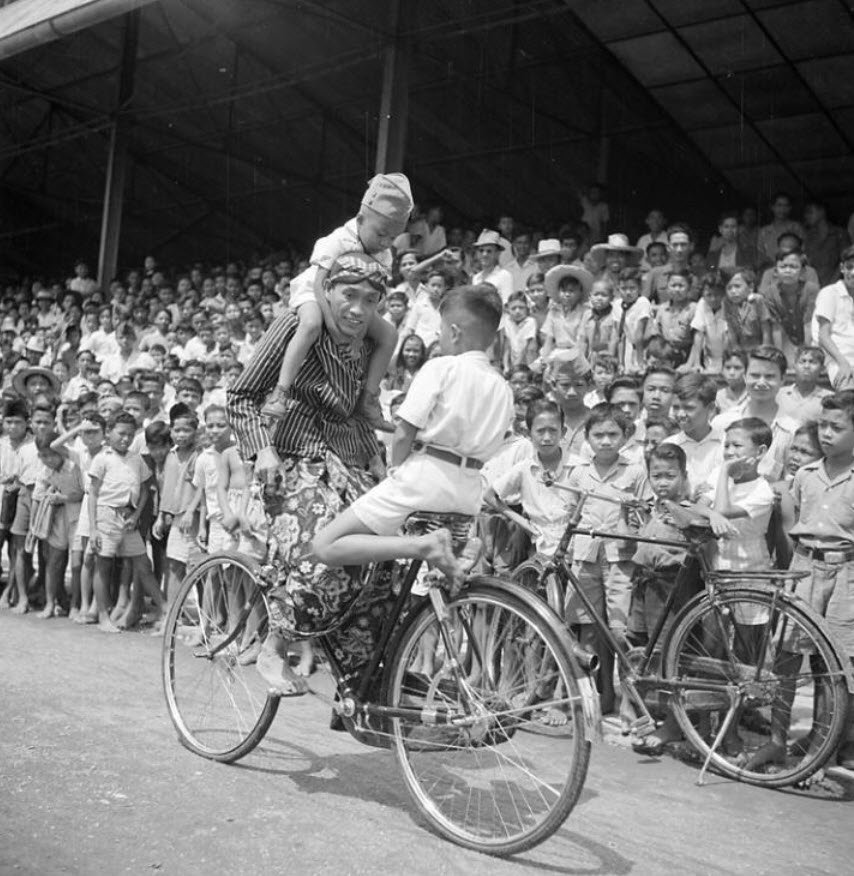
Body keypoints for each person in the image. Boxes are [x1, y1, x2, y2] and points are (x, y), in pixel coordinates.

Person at [310, 283, 514, 691]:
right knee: (413, 596)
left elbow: (404, 432)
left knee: (325, 545)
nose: (439, 337)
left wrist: (393, 470)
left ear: (454, 331)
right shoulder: (502, 386)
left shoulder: (443, 367)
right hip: (467, 490)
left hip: (426, 476)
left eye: (441, 329)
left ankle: (422, 546)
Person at [227, 252, 414, 695]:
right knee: (320, 548)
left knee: (384, 562)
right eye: (349, 295)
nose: (358, 309)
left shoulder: (368, 345)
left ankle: (362, 685)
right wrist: (263, 450)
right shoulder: (295, 327)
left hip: (347, 461)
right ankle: (274, 647)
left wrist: (373, 456)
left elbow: (356, 414)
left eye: (371, 300)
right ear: (327, 291)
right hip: (291, 458)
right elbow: (239, 397)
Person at [262, 174, 412, 427]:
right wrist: (335, 329)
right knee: (310, 324)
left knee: (390, 336)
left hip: (355, 302)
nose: (385, 242)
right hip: (315, 292)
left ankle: (368, 399)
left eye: (392, 238)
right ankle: (280, 392)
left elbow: (373, 302)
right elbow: (320, 285)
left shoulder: (384, 254)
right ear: (361, 219)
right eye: (381, 234)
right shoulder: (338, 240)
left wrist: (356, 335)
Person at [562, 403, 650, 713]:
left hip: (620, 558)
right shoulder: (578, 474)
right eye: (598, 434)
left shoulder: (635, 472)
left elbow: (645, 514)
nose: (605, 440)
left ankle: (627, 699)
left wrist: (632, 508)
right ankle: (593, 695)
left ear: (625, 436)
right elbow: (568, 513)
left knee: (620, 630)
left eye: (613, 434)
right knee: (587, 628)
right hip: (585, 556)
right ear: (587, 437)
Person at [787, 391, 854, 769]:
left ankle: (831, 745)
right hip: (806, 568)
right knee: (803, 656)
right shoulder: (805, 475)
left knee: (841, 665)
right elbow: (794, 524)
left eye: (837, 427)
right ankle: (811, 738)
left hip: (846, 574)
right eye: (823, 426)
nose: (826, 434)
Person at [627, 442, 693, 753]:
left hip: (672, 590)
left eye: (669, 476)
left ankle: (673, 725)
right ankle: (647, 713)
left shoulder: (691, 507)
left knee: (671, 658)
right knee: (643, 649)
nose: (662, 483)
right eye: (656, 476)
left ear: (684, 475)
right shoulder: (651, 507)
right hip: (645, 586)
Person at [87, 411, 165, 634]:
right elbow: (92, 494)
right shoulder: (102, 458)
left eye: (130, 435)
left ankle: (166, 609)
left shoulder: (136, 459)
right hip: (105, 515)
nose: (125, 439)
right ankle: (103, 615)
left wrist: (136, 515)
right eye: (121, 434)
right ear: (109, 433)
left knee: (143, 564)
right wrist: (93, 529)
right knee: (103, 565)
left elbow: (146, 490)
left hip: (128, 518)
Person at [711, 346, 799, 481]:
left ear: (783, 380)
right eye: (755, 375)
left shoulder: (791, 431)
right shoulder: (722, 423)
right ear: (745, 377)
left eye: (769, 376)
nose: (761, 382)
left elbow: (791, 481)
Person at [32, 432, 85, 619]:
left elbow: (81, 494)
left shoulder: (74, 463)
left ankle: (75, 605)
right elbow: (37, 498)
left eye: (51, 454)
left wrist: (63, 498)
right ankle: (50, 603)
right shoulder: (44, 472)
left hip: (78, 517)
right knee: (53, 562)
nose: (48, 459)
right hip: (56, 519)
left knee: (78, 564)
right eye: (43, 455)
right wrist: (34, 527)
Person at [665, 374, 723, 494]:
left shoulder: (726, 444)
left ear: (711, 408)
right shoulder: (668, 446)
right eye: (676, 407)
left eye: (689, 408)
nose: (681, 414)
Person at [764, 249, 819, 364]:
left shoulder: (811, 290)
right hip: (785, 339)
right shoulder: (770, 293)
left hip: (810, 338)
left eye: (793, 267)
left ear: (803, 271)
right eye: (783, 267)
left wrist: (806, 355)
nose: (788, 270)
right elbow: (776, 327)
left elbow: (808, 324)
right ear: (775, 271)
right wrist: (779, 357)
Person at [813, 244, 854, 389]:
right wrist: (843, 363)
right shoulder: (830, 293)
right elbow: (823, 336)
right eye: (849, 267)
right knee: (848, 394)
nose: (853, 272)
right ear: (842, 268)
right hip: (838, 359)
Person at [538, 264, 592, 364]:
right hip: (556, 352)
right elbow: (549, 339)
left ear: (580, 292)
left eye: (571, 291)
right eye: (563, 291)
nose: (567, 294)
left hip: (576, 354)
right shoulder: (553, 311)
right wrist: (544, 359)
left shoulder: (585, 312)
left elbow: (582, 341)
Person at [776, 346, 831, 423]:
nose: (806, 366)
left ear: (822, 369)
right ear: (794, 366)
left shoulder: (829, 398)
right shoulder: (779, 394)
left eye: (813, 362)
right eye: (802, 361)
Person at [686, 273, 727, 374]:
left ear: (723, 293)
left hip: (728, 358)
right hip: (709, 360)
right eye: (709, 295)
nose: (713, 299)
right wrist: (696, 363)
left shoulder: (729, 305)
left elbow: (728, 337)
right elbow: (699, 334)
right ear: (703, 294)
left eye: (717, 295)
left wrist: (726, 364)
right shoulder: (702, 304)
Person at [617, 267, 651, 374]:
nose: (628, 292)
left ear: (640, 288)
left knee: (640, 373)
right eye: (623, 288)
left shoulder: (642, 302)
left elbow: (639, 334)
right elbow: (619, 335)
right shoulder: (617, 304)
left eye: (632, 288)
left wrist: (639, 363)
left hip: (644, 348)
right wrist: (620, 362)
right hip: (629, 347)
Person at [757, 192, 803, 267]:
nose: (782, 209)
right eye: (779, 205)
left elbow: (802, 252)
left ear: (790, 208)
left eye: (786, 206)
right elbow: (760, 255)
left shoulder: (796, 228)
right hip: (769, 271)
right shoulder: (764, 231)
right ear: (772, 207)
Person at [578, 279, 619, 360]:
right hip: (590, 357)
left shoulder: (614, 315)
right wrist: (581, 359)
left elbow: (614, 339)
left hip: (607, 358)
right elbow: (583, 339)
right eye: (596, 294)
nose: (599, 298)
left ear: (612, 298)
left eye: (604, 295)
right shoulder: (587, 315)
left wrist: (609, 357)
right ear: (590, 297)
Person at [472, 230, 514, 304]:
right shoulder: (476, 278)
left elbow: (507, 304)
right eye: (481, 251)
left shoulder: (504, 275)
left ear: (497, 254)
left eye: (489, 251)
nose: (484, 254)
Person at [500, 291, 538, 372]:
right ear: (508, 310)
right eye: (513, 308)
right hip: (513, 366)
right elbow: (507, 346)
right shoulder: (508, 321)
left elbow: (525, 347)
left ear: (527, 308)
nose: (517, 311)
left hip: (528, 365)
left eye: (521, 308)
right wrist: (506, 366)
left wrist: (515, 366)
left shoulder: (530, 322)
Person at [716, 347, 748, 413]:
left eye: (737, 368)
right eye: (727, 368)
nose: (732, 373)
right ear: (722, 370)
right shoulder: (718, 397)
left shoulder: (753, 395)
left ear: (746, 371)